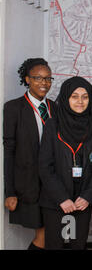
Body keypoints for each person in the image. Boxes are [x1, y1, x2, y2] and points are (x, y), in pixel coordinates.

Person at [39, 76, 92, 250]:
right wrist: (62, 198)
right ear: (66, 98)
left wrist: (87, 197)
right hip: (56, 201)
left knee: (78, 245)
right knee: (55, 245)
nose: (80, 101)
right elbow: (45, 166)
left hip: (82, 201)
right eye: (74, 96)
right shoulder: (52, 126)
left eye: (85, 97)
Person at [3, 58, 55, 250]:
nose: (44, 83)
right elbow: (9, 152)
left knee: (51, 234)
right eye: (38, 78)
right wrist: (10, 192)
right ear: (27, 79)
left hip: (52, 183)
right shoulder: (13, 108)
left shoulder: (54, 108)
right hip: (29, 184)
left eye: (48, 79)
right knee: (43, 234)